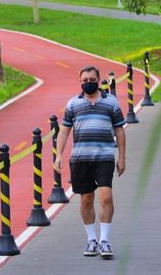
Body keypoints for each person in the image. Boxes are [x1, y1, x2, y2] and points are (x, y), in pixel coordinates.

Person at [53, 65, 126, 259]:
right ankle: (91, 240)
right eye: (84, 80)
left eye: (92, 79)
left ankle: (105, 241)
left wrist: (122, 158)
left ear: (98, 79)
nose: (88, 83)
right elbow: (64, 131)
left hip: (104, 157)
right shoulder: (73, 104)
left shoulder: (111, 102)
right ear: (80, 81)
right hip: (80, 159)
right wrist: (58, 155)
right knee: (86, 200)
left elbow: (119, 130)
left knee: (106, 197)